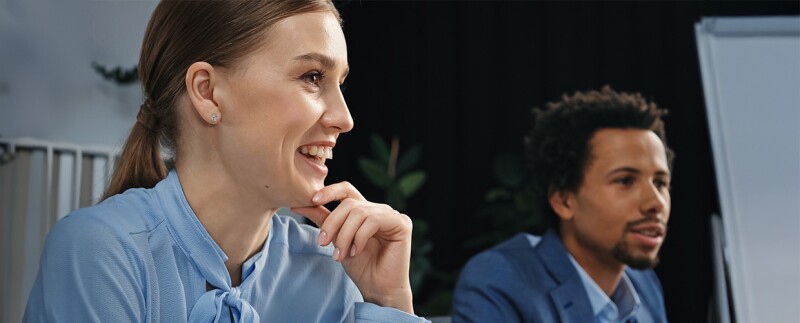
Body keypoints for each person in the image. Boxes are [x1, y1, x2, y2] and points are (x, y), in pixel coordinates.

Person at [24, 1, 429, 322]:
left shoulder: (330, 270)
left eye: (339, 84)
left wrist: (387, 299)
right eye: (311, 77)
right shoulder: (102, 253)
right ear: (208, 93)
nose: (344, 118)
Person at [452, 87, 673, 322]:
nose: (656, 203)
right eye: (625, 181)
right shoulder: (499, 281)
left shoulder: (643, 283)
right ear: (563, 200)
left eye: (660, 182)